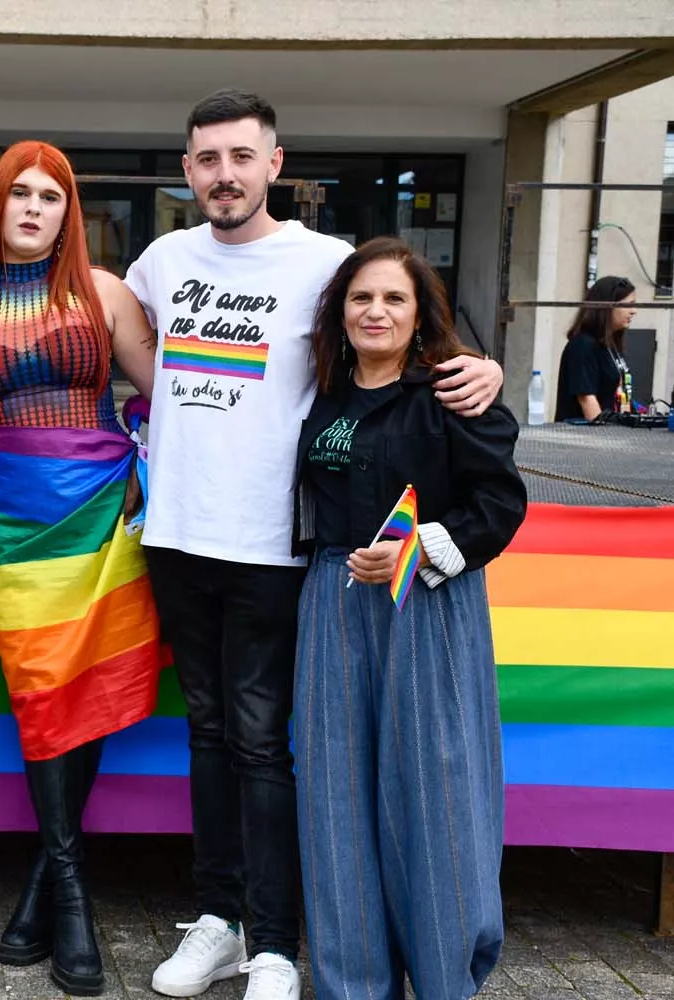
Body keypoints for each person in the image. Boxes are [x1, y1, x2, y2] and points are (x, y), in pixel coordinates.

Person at [124, 90, 503, 1000]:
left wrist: (482, 368)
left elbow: (408, 326)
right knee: (208, 734)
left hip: (275, 543)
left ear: (274, 164)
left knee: (263, 744)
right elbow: (99, 308)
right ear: (187, 171)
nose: (224, 174)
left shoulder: (329, 263)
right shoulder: (161, 259)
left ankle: (280, 945)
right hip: (176, 532)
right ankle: (218, 920)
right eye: (207, 159)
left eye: (241, 157)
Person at [0, 139, 162, 997]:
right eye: (18, 194)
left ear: (71, 212)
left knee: (83, 686)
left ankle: (59, 892)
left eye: (50, 197)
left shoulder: (105, 294)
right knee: (41, 684)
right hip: (13, 516)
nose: (33, 208)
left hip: (106, 510)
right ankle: (60, 880)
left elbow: (173, 396)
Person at [293, 236, 525, 1000]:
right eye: (362, 297)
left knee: (437, 797)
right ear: (341, 311)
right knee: (337, 800)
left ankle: (444, 979)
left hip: (428, 606)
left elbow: (499, 503)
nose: (376, 311)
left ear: (421, 312)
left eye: (395, 298)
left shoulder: (453, 392)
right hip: (334, 604)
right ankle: (351, 984)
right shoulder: (321, 392)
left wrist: (418, 552)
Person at [555, 274, 637, 421]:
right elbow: (586, 399)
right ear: (607, 307)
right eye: (627, 305)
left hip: (614, 433)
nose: (633, 311)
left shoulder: (612, 344)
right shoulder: (583, 345)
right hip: (584, 437)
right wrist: (603, 434)